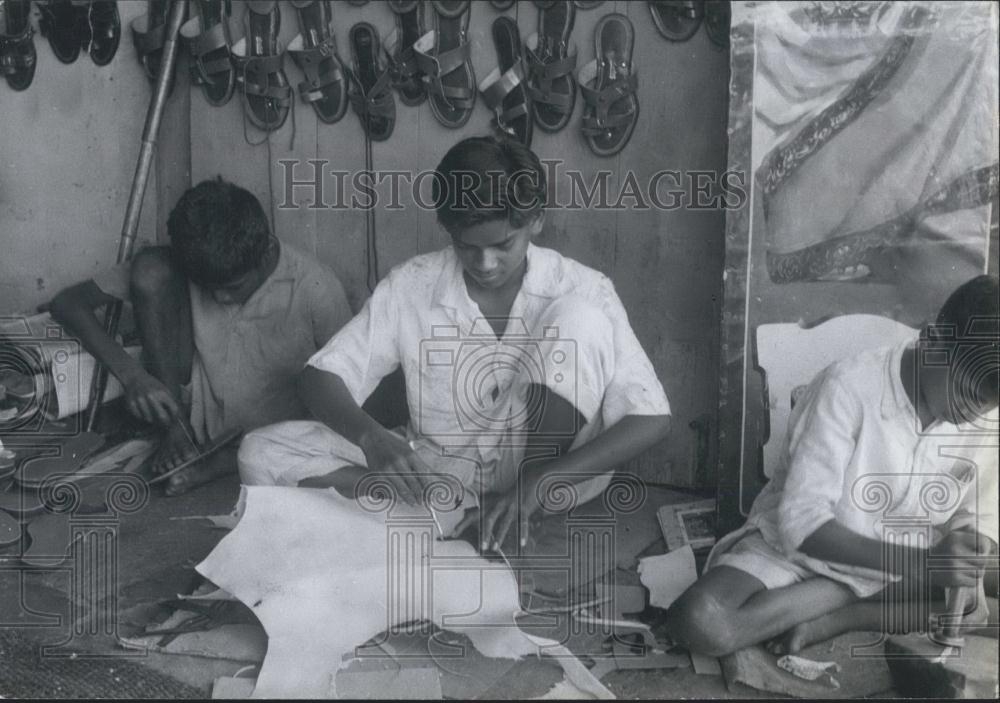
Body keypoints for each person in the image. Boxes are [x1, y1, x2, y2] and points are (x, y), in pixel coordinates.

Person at [238, 136, 672, 551]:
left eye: (503, 245)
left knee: (580, 319)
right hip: (443, 470)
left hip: (550, 478)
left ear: (536, 219)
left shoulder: (582, 286)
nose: (485, 263)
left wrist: (537, 485)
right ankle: (457, 518)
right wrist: (370, 437)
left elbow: (650, 417)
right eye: (467, 247)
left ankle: (515, 510)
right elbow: (320, 377)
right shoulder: (414, 283)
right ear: (447, 229)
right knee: (261, 451)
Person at [662, 274, 1000, 657]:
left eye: (986, 406)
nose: (971, 414)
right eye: (967, 395)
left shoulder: (981, 416)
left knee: (980, 588)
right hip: (804, 554)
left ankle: (842, 616)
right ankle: (839, 595)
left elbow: (976, 509)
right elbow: (802, 525)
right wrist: (925, 565)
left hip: (906, 562)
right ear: (933, 342)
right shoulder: (848, 387)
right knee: (702, 621)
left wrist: (972, 550)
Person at [48, 178, 351, 496]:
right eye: (207, 287)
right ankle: (176, 430)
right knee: (150, 268)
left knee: (303, 422)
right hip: (193, 411)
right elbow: (67, 303)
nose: (219, 298)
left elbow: (351, 389)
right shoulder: (195, 259)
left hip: (276, 432)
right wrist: (132, 376)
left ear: (268, 251)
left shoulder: (316, 287)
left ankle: (225, 460)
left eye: (233, 287)